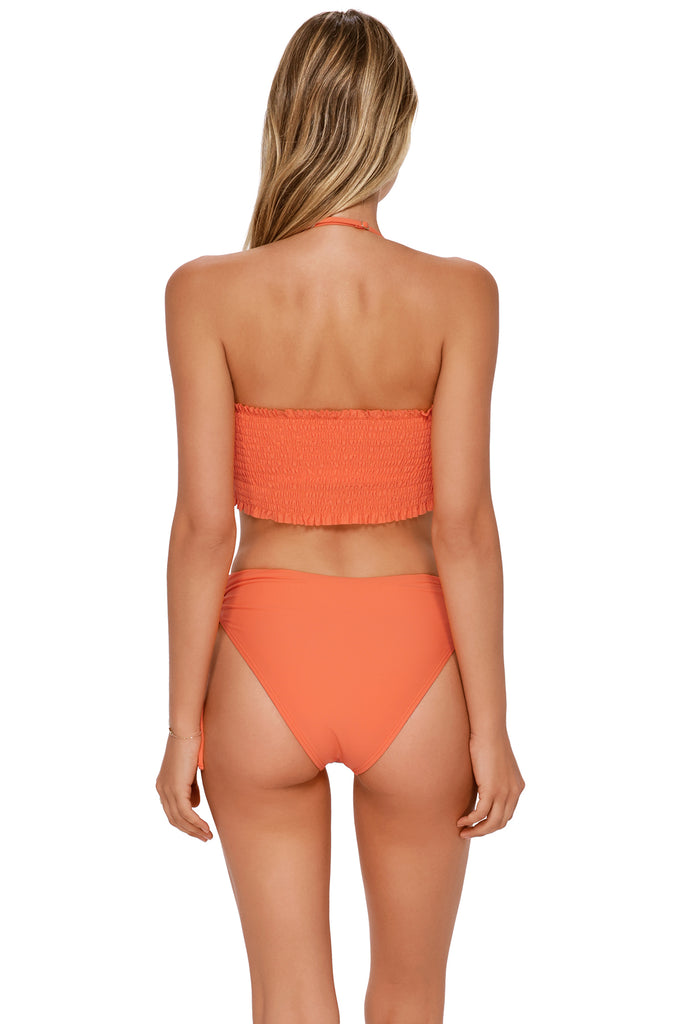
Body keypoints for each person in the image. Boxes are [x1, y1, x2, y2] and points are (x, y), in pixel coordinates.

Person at [156, 9, 525, 1023]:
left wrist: (181, 724)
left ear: (285, 121)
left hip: (262, 659)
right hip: (416, 660)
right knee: (410, 996)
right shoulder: (459, 293)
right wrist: (491, 729)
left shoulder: (203, 292)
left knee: (285, 1000)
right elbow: (463, 528)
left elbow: (201, 528)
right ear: (395, 130)